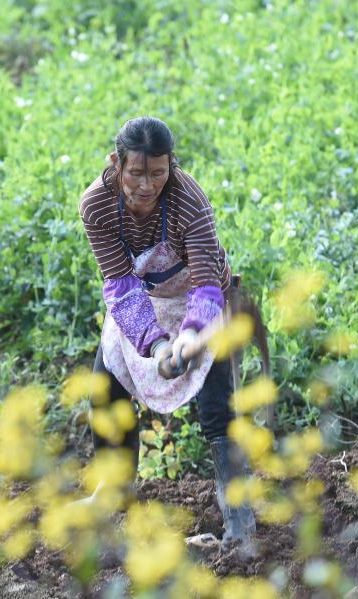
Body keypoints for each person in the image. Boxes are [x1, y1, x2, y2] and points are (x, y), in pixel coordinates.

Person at [78, 116, 257, 553]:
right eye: (136, 173)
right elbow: (120, 284)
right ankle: (114, 490)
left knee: (217, 408)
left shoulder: (188, 200)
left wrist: (192, 336)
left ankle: (239, 520)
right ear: (116, 164)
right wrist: (156, 343)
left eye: (157, 173)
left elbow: (206, 282)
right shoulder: (97, 205)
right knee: (107, 386)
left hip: (204, 300)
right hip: (141, 301)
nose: (146, 184)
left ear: (170, 167)